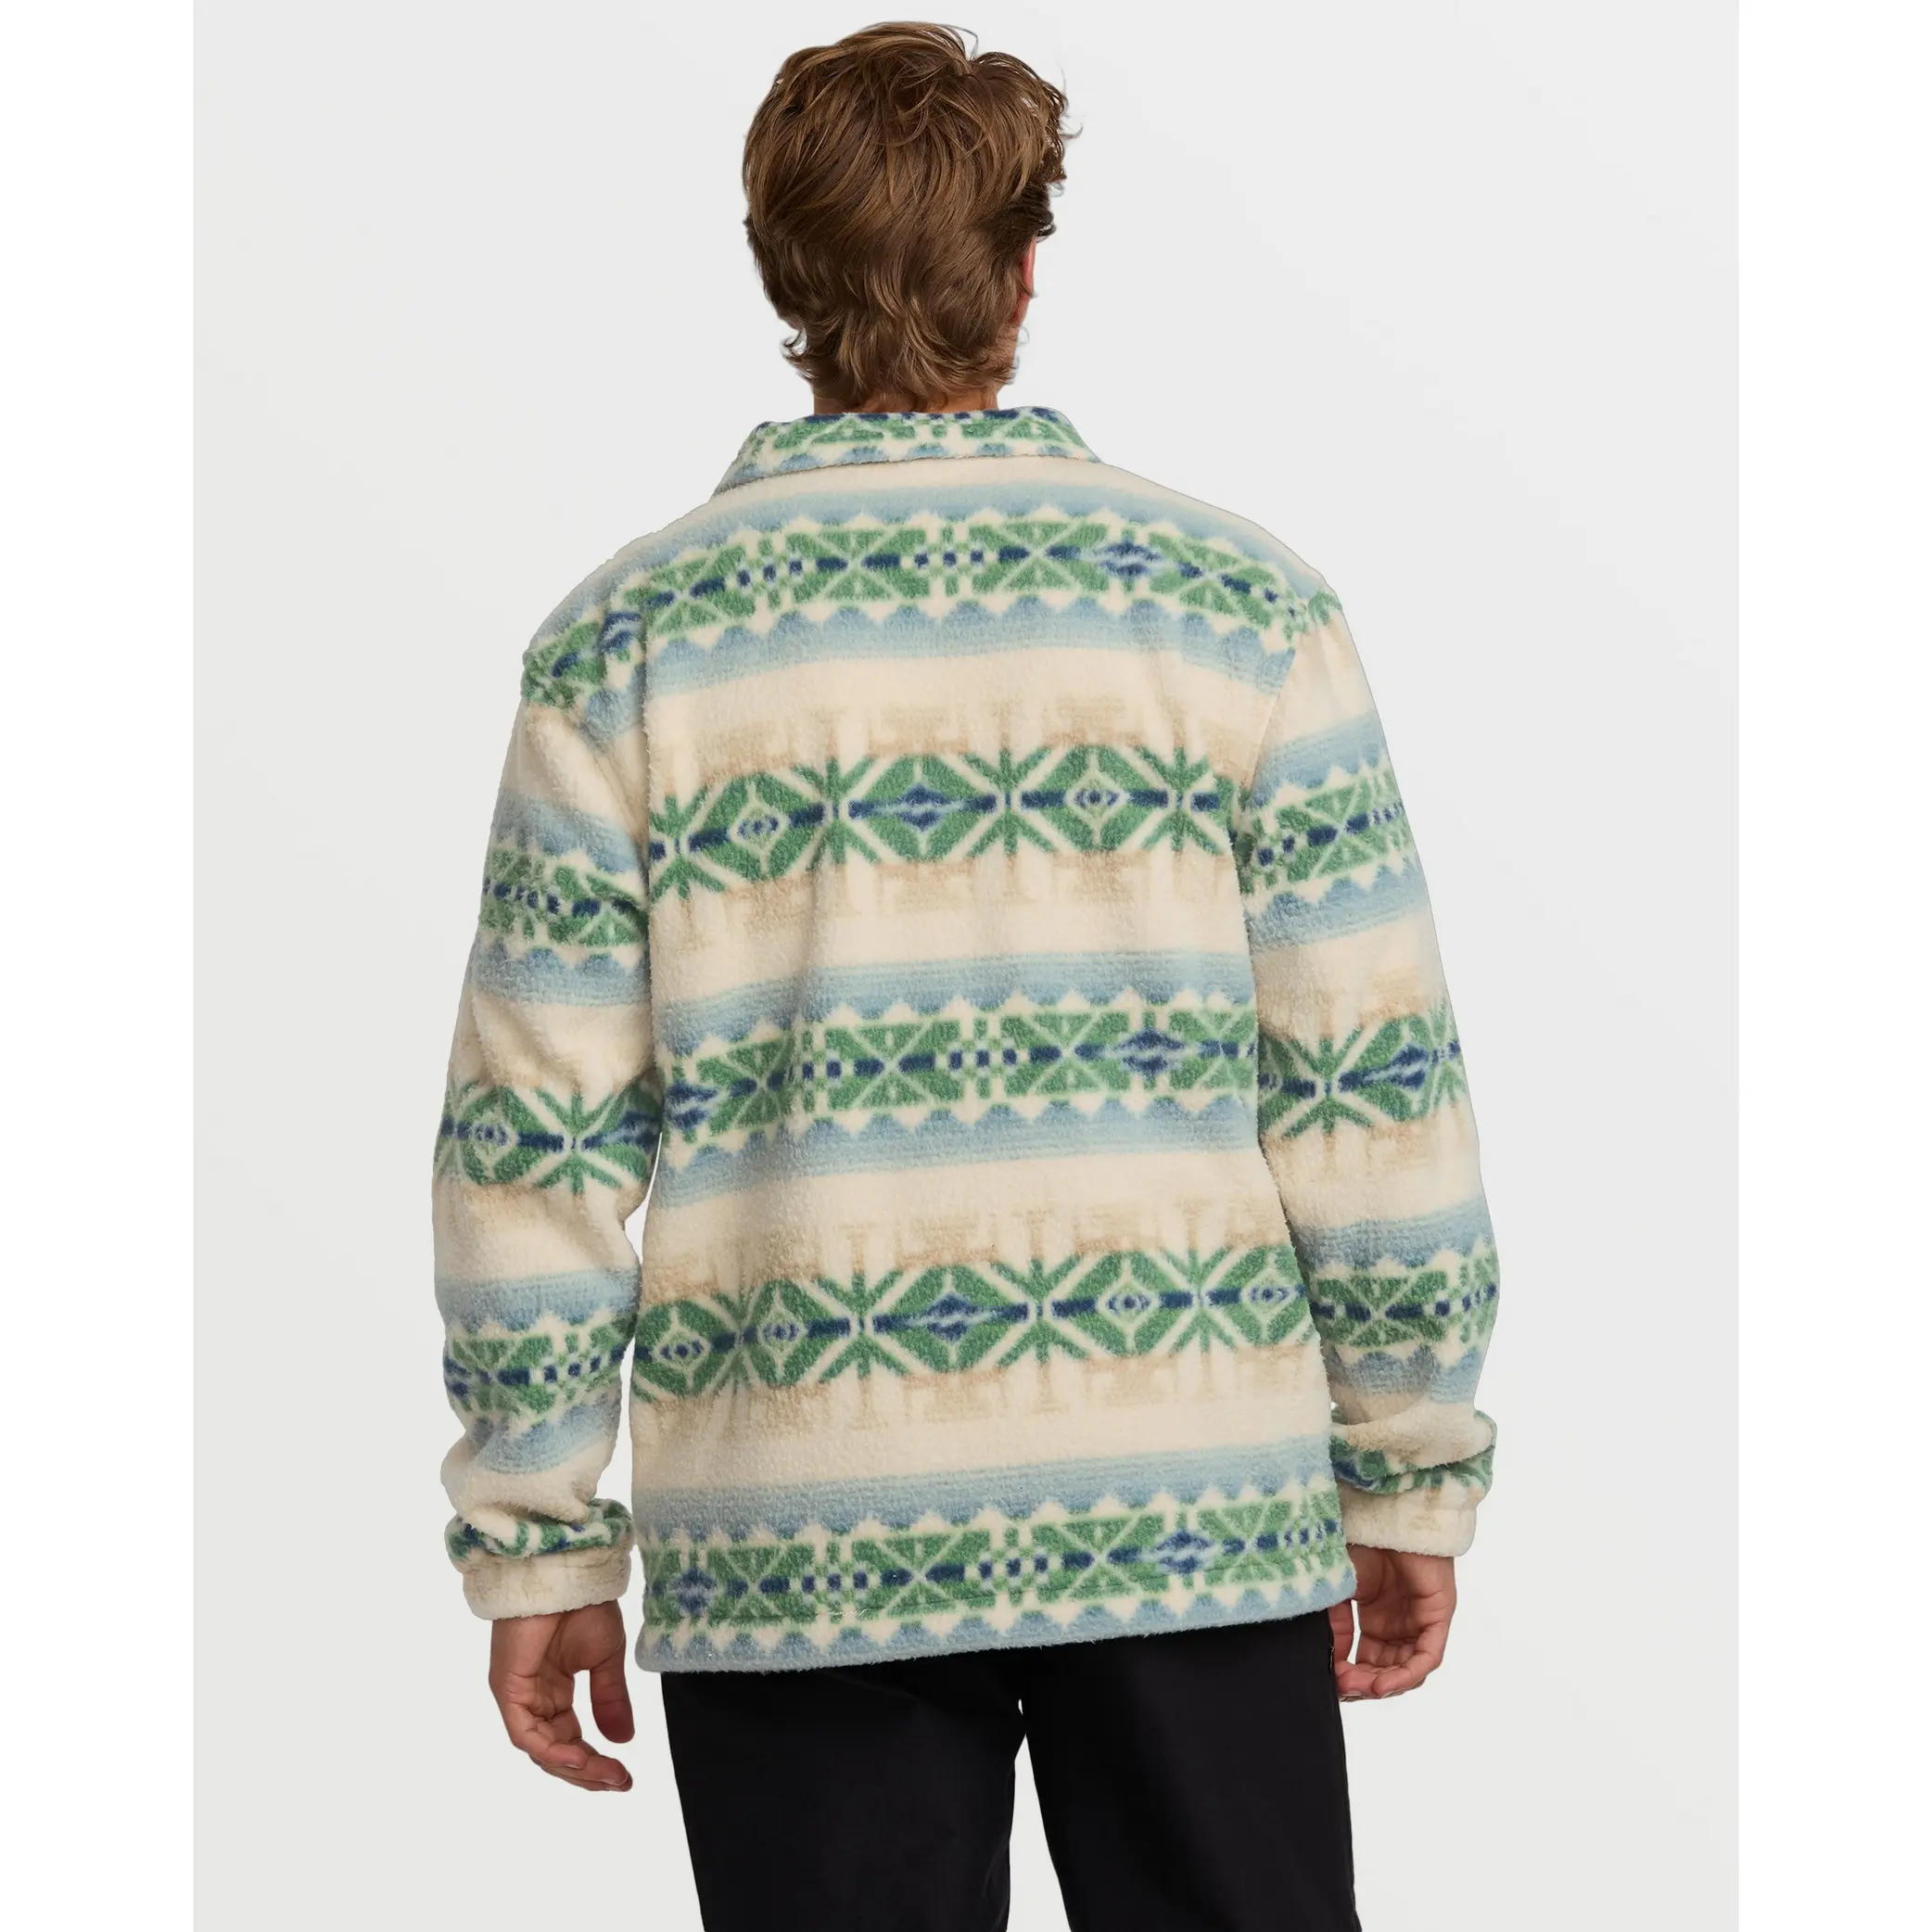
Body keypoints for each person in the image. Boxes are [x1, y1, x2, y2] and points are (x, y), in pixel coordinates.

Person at [432, 22, 1499, 1931]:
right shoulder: (1238, 608)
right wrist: (1408, 1456)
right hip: (1187, 1501)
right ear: (1022, 271)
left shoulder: (627, 644)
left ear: (780, 276)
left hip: (799, 1531)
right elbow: (1368, 1083)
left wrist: (540, 1534)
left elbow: (537, 1140)